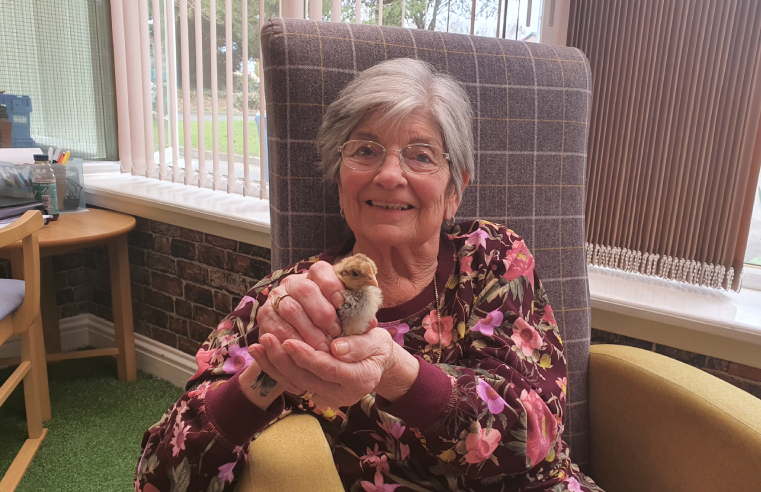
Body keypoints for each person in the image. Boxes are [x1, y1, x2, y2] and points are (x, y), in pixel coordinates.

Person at [135, 58, 603, 492]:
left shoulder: (493, 257)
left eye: (421, 155)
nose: (389, 174)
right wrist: (270, 372)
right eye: (365, 150)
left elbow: (538, 428)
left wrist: (396, 371)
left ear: (455, 189)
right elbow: (159, 474)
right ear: (340, 178)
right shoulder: (287, 303)